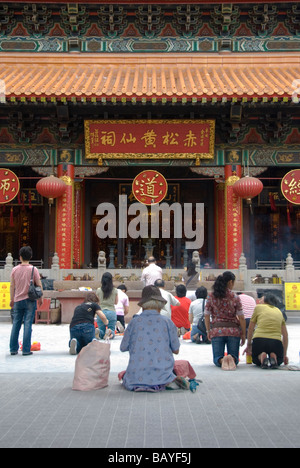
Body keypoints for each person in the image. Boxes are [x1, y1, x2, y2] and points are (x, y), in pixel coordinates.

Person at [119, 285, 180, 391]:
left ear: (143, 305)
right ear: (160, 305)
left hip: (135, 377)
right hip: (163, 377)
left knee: (122, 374)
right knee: (182, 365)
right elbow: (176, 350)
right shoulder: (167, 322)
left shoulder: (134, 322)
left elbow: (123, 347)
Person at [204, 271, 246, 370]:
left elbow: (206, 315)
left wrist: (208, 330)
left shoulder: (211, 296)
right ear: (230, 282)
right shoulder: (235, 297)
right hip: (233, 331)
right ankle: (231, 358)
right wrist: (243, 333)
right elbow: (241, 317)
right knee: (236, 359)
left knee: (216, 358)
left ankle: (222, 360)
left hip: (217, 330)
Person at [9, 246, 43, 356]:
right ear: (31, 257)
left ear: (20, 257)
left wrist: (11, 299)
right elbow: (39, 285)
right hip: (30, 300)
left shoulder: (14, 270)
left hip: (18, 300)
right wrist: (41, 298)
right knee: (28, 324)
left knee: (16, 324)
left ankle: (13, 349)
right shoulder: (34, 269)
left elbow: (11, 286)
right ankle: (26, 350)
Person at [244, 293, 289, 369]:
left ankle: (261, 356)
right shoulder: (279, 311)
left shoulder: (258, 308)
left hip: (259, 340)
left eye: (261, 299)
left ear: (266, 300)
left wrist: (249, 344)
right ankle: (273, 356)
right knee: (279, 360)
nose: (259, 300)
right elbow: (285, 335)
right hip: (275, 341)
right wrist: (284, 355)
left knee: (255, 359)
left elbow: (251, 328)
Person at [96, 272, 118, 339]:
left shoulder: (99, 290)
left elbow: (97, 302)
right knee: (112, 329)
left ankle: (99, 332)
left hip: (101, 312)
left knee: (101, 330)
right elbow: (116, 302)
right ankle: (110, 333)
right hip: (111, 312)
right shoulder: (115, 290)